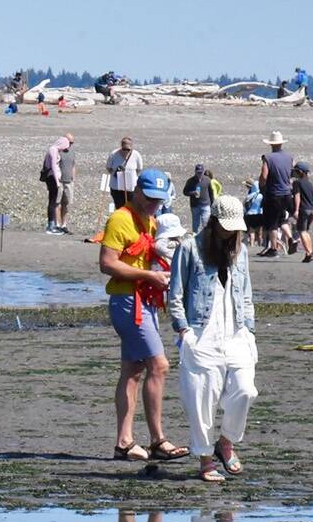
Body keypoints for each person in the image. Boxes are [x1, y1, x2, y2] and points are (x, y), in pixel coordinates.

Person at [167, 193, 257, 485]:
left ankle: (227, 441)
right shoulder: (189, 248)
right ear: (215, 222)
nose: (233, 233)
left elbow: (245, 294)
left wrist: (250, 330)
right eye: (227, 226)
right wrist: (183, 331)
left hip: (236, 332)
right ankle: (206, 458)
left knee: (245, 390)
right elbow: (176, 294)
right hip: (201, 333)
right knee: (201, 399)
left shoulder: (240, 250)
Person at [99, 166, 185, 463]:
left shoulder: (151, 221)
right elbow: (107, 263)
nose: (153, 205)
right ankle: (158, 439)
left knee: (133, 372)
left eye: (158, 200)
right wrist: (148, 275)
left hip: (144, 301)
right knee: (159, 366)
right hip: (126, 302)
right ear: (136, 191)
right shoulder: (120, 219)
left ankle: (124, 443)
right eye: (149, 198)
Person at [256, 132, 294, 257]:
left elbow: (264, 176)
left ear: (271, 144)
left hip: (274, 194)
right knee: (282, 218)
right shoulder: (289, 157)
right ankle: (290, 238)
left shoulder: (268, 158)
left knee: (272, 222)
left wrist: (262, 186)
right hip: (287, 193)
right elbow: (291, 173)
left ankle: (273, 248)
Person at [40, 133, 74, 233]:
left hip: (54, 179)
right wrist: (57, 181)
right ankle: (52, 225)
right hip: (52, 179)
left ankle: (53, 225)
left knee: (54, 201)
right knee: (53, 202)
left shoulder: (54, 150)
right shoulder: (53, 150)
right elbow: (54, 167)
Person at [290, 160, 313, 263]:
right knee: (306, 232)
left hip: (303, 209)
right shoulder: (310, 184)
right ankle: (309, 252)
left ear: (300, 172)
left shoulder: (297, 183)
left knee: (302, 231)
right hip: (311, 209)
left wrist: (296, 210)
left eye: (296, 172)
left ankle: (309, 253)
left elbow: (297, 196)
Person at [104, 136, 141, 210]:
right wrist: (115, 174)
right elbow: (108, 167)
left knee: (131, 208)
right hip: (116, 187)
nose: (126, 151)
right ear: (121, 147)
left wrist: (131, 176)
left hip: (131, 187)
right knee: (119, 207)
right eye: (124, 149)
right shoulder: (114, 154)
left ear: (131, 148)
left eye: (128, 150)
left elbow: (139, 169)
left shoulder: (136, 155)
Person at [181, 163, 219, 232]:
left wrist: (212, 203)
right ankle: (196, 238)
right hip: (195, 205)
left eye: (201, 172)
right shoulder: (190, 181)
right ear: (195, 172)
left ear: (203, 171)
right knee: (196, 223)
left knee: (206, 222)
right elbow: (185, 192)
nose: (200, 174)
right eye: (198, 172)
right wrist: (193, 193)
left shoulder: (207, 180)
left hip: (206, 204)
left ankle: (207, 238)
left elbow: (211, 192)